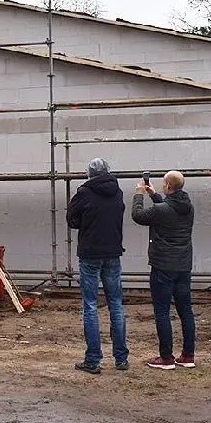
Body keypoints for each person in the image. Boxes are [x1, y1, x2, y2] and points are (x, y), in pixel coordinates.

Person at [65, 157, 129, 374]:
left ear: (89, 173)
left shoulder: (84, 193)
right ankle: (121, 358)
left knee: (90, 305)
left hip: (90, 253)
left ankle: (93, 360)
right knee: (116, 304)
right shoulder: (118, 191)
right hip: (113, 252)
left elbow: (71, 220)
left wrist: (86, 222)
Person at [132, 171, 196, 370]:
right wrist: (154, 195)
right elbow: (169, 209)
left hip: (163, 265)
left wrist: (139, 194)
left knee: (162, 311)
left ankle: (166, 357)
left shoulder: (161, 210)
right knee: (185, 310)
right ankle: (188, 355)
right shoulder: (189, 207)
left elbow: (138, 216)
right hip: (183, 264)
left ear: (168, 186)